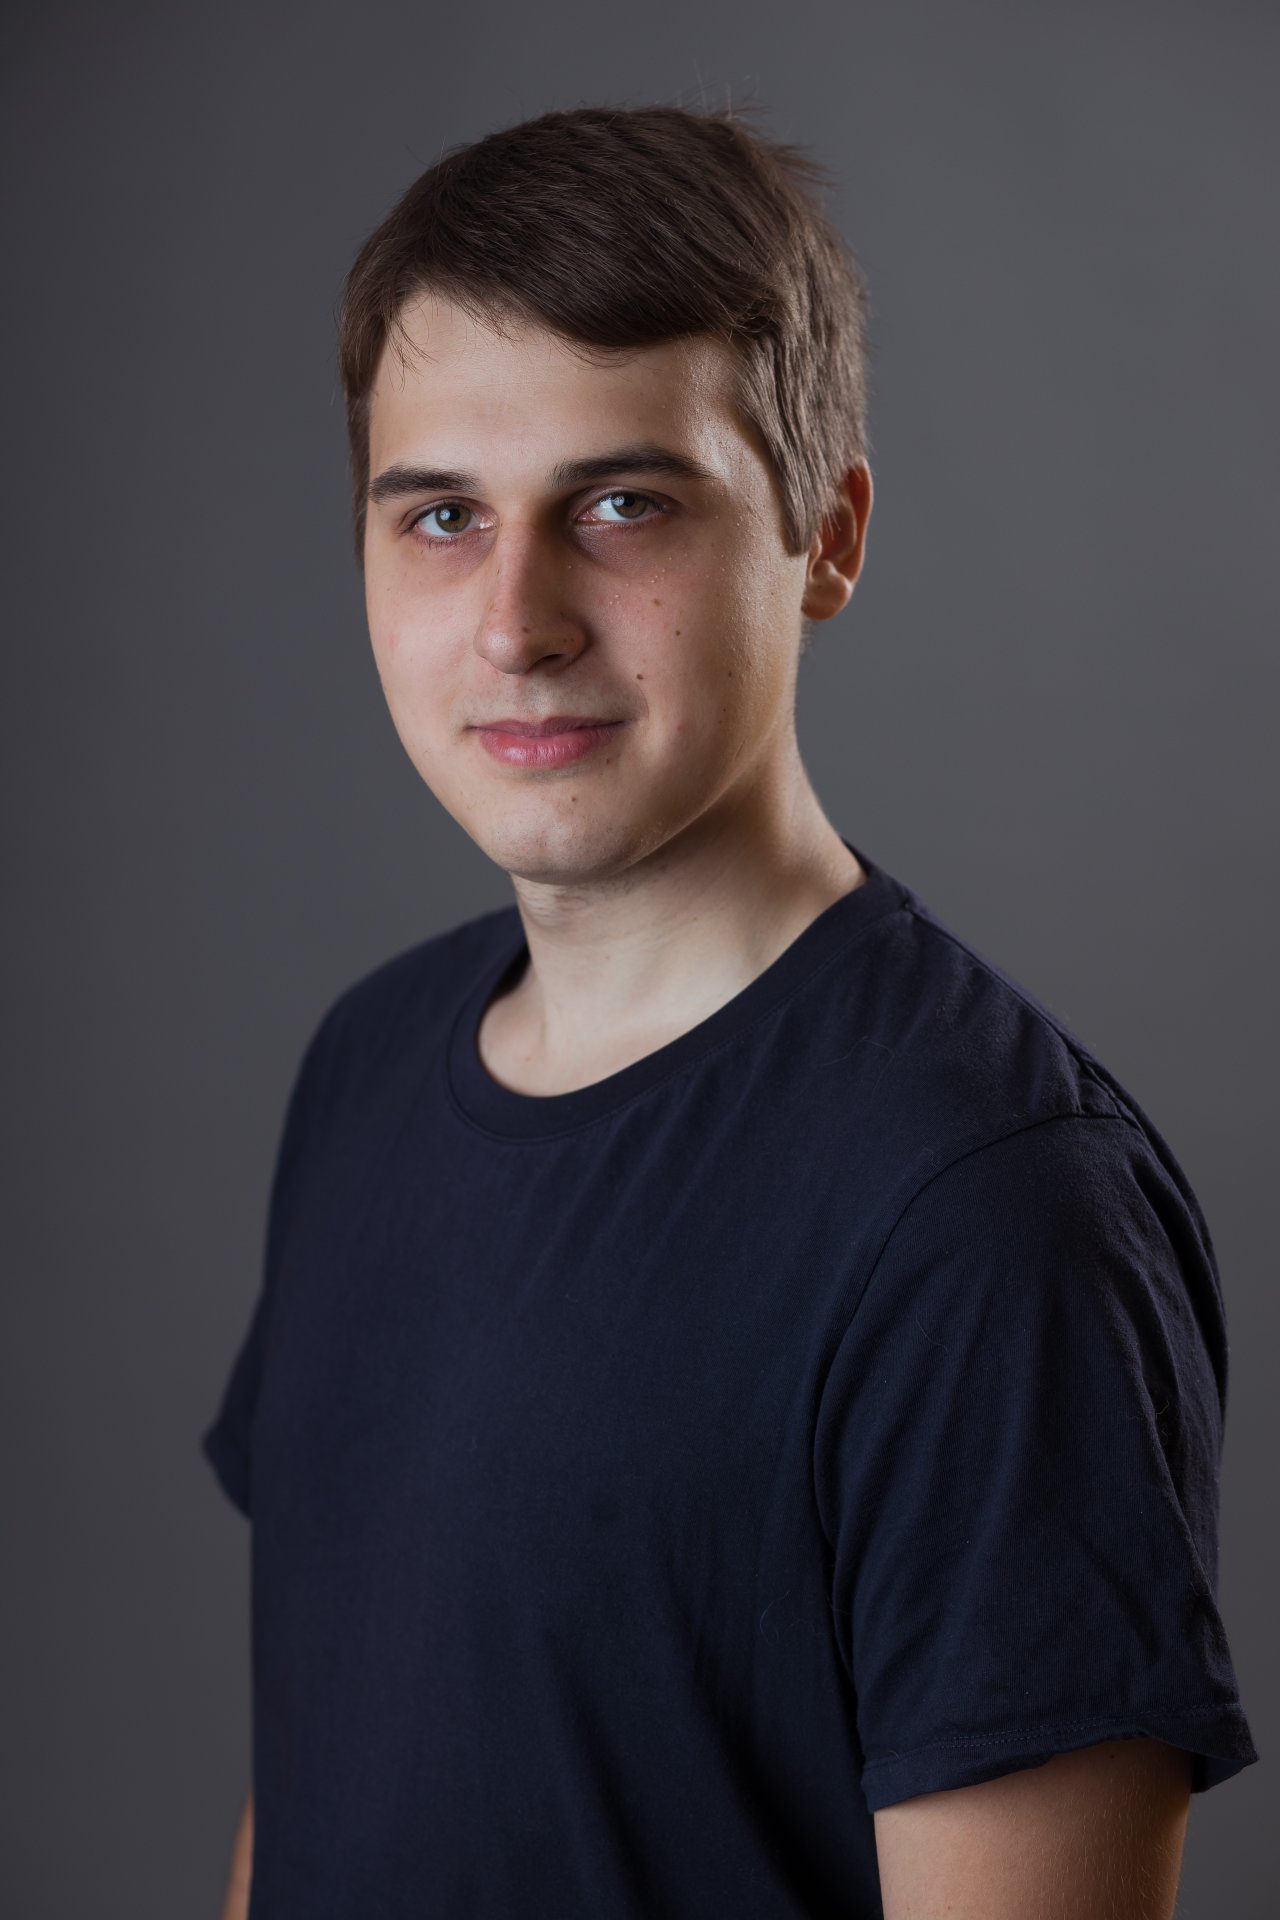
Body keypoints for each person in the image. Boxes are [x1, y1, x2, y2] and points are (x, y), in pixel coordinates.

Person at [202, 102, 1257, 1919]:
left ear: (824, 537)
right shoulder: (363, 1069)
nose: (518, 620)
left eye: (623, 505)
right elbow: (314, 1778)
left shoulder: (988, 1215)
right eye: (441, 517)